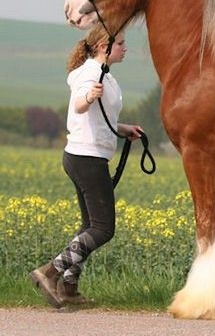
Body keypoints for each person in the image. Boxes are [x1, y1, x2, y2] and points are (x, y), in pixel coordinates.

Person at [30, 25, 143, 307]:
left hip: (81, 155)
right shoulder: (92, 74)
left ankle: (69, 288)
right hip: (87, 159)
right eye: (121, 44)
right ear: (104, 46)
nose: (125, 48)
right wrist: (89, 97)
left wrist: (123, 128)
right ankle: (49, 272)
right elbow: (80, 105)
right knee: (103, 228)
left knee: (89, 226)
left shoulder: (100, 72)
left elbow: (96, 118)